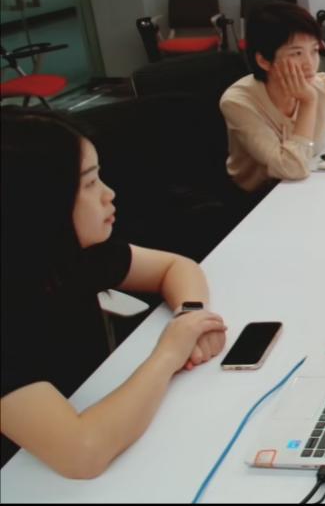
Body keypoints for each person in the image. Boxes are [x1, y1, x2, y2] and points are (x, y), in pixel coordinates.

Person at [1, 110, 228, 478]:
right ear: (41, 202)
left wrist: (190, 316)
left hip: (101, 413)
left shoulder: (70, 253)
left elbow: (176, 267)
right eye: (90, 183)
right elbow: (82, 453)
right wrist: (170, 352)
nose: (109, 194)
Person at [220, 1, 325, 193]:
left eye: (314, 50)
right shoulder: (239, 102)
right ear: (263, 60)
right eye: (296, 53)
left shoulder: (322, 88)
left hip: (305, 185)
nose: (309, 63)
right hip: (258, 197)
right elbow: (290, 168)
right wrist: (307, 103)